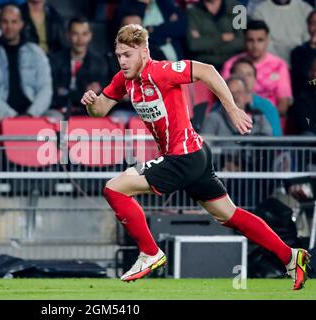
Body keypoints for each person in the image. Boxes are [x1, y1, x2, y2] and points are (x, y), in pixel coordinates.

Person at [80, 24, 310, 290]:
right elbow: (100, 110)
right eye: (119, 55)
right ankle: (290, 256)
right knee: (229, 214)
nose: (122, 61)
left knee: (114, 189)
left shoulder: (162, 71)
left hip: (184, 156)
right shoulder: (124, 80)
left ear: (144, 52)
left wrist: (233, 108)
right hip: (193, 155)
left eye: (128, 55)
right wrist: (91, 102)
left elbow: (207, 71)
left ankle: (149, 253)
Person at [0, 4, 52, 118]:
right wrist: (11, 115)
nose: (9, 26)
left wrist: (31, 114)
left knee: (56, 118)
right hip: (0, 112)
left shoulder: (36, 52)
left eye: (14, 22)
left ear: (21, 24)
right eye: (5, 22)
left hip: (32, 111)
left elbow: (45, 88)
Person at [221, 20, 292, 117]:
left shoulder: (279, 65)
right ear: (244, 40)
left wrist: (270, 118)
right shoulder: (231, 64)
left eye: (260, 40)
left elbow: (283, 102)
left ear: (267, 40)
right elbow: (224, 98)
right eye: (250, 40)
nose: (255, 45)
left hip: (270, 117)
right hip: (236, 118)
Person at [50, 16, 108, 117]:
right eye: (75, 34)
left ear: (90, 36)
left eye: (84, 34)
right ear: (67, 35)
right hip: (59, 110)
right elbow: (53, 94)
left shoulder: (100, 63)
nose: (80, 39)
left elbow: (100, 97)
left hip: (87, 112)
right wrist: (83, 92)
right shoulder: (55, 60)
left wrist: (66, 92)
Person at [229, 57, 282, 136]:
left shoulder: (267, 107)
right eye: (239, 74)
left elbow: (275, 139)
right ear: (231, 77)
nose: (244, 78)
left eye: (249, 74)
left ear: (255, 79)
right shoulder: (220, 105)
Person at [186, 0, 244, 71]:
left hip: (233, 64)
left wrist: (207, 45)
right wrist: (221, 38)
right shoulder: (192, 11)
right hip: (204, 65)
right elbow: (194, 45)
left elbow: (242, 42)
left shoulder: (238, 8)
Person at [291, 10, 316, 98]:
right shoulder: (298, 52)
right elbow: (301, 84)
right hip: (307, 100)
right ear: (308, 27)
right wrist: (314, 81)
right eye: (313, 24)